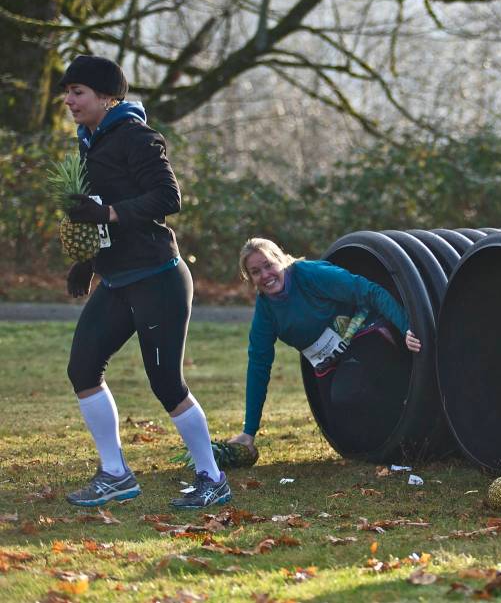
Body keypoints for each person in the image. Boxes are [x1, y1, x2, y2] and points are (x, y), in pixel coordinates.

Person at [60, 54, 230, 509]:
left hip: (158, 277)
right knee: (82, 369)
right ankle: (115, 474)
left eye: (77, 92)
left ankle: (212, 478)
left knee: (166, 384)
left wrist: (110, 213)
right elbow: (98, 203)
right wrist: (88, 260)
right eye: (67, 92)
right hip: (117, 278)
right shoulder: (89, 141)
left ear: (105, 96)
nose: (69, 100)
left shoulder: (137, 136)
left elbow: (167, 197)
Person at [227, 238, 421, 455]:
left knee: (348, 393)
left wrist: (407, 328)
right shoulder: (266, 312)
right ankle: (385, 448)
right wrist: (249, 432)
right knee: (342, 432)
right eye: (255, 271)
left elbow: (369, 291)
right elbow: (258, 368)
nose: (265, 275)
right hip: (329, 359)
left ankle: (408, 434)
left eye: (268, 265)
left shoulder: (310, 275)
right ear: (250, 278)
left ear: (280, 260)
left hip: (366, 332)